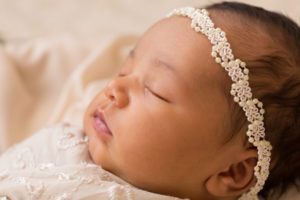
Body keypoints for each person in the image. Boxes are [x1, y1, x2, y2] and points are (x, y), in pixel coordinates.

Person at [0, 1, 299, 200]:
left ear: (231, 172)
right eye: (125, 70)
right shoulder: (78, 133)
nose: (114, 87)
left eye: (156, 90)